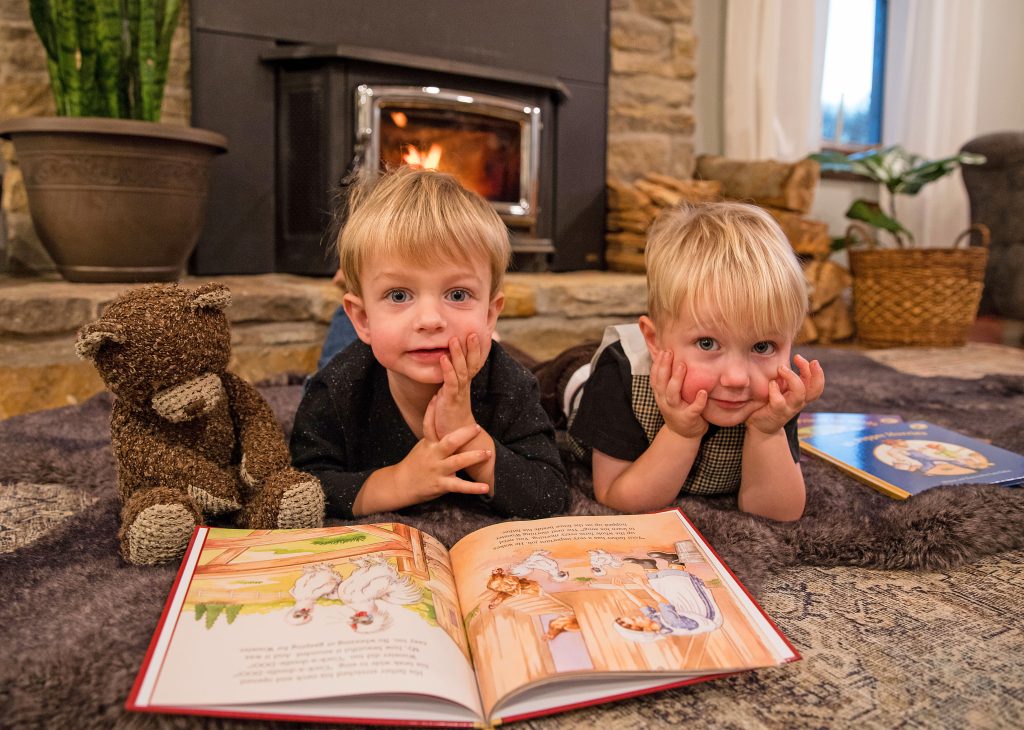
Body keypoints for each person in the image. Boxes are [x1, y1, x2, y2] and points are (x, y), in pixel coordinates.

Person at [290, 166, 569, 519]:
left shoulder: (510, 384)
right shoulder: (336, 388)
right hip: (364, 352)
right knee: (337, 348)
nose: (429, 320)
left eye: (457, 293)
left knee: (404, 336)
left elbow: (550, 494)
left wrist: (467, 437)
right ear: (361, 317)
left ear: (490, 313)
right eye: (399, 294)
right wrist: (397, 482)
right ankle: (352, 303)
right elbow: (303, 487)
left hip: (423, 340)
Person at [567, 202, 824, 521]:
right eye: (707, 343)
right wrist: (681, 434)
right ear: (655, 340)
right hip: (577, 383)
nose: (736, 378)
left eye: (762, 346)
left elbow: (778, 514)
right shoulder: (619, 373)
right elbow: (616, 497)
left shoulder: (774, 396)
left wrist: (767, 432)